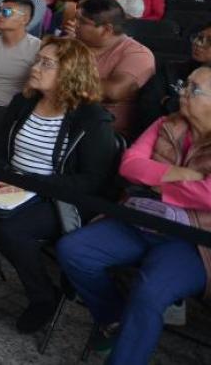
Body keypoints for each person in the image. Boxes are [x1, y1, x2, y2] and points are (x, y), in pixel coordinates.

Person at [0, 37, 118, 334]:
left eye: (46, 63)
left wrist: (31, 184)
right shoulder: (23, 102)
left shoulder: (92, 119)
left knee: (10, 231)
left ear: (71, 72)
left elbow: (92, 180)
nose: (35, 67)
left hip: (56, 197)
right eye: (38, 60)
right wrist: (0, 173)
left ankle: (43, 296)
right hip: (11, 183)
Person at [58, 66, 211, 364]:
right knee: (73, 250)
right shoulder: (166, 123)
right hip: (143, 220)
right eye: (184, 84)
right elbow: (129, 164)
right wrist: (176, 174)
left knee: (149, 292)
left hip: (193, 241)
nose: (181, 92)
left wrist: (156, 185)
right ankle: (114, 317)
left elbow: (208, 195)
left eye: (194, 89)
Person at [72, 0, 156, 136]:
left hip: (103, 133)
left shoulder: (138, 54)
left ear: (106, 30)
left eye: (82, 22)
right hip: (61, 120)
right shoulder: (72, 43)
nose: (75, 24)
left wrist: (60, 78)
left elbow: (113, 92)